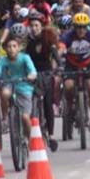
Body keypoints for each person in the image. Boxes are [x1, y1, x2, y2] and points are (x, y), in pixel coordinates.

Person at [58, 12, 90, 131]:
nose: (81, 30)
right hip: (72, 65)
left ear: (87, 27)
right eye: (78, 27)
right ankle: (70, 109)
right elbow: (60, 50)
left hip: (88, 64)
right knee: (68, 86)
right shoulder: (67, 36)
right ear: (74, 27)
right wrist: (53, 64)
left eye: (83, 27)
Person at [25, 14, 59, 145]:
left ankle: (51, 135)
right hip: (33, 75)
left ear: (42, 26)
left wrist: (58, 67)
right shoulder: (28, 42)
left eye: (36, 25)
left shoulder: (48, 39)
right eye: (32, 26)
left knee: (47, 103)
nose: (34, 28)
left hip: (47, 74)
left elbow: (55, 55)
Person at [0, 35, 37, 138]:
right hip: (9, 84)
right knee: (4, 94)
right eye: (9, 46)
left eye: (14, 46)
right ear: (5, 49)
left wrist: (31, 75)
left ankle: (32, 139)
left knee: (25, 117)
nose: (12, 49)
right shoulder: (2, 61)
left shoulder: (25, 58)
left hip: (24, 87)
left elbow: (32, 71)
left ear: (19, 48)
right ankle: (5, 117)